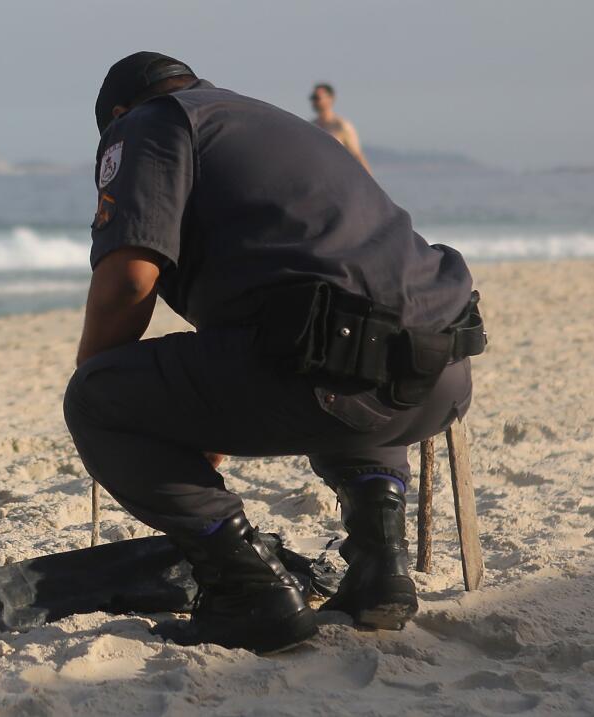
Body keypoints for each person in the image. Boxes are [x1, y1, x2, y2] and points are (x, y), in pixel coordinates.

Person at [63, 52, 484, 654]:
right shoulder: (270, 123)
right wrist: (196, 414)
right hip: (440, 375)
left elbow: (127, 283)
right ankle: (379, 562)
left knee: (96, 397)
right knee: (351, 334)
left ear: (119, 115)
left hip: (331, 376)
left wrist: (102, 387)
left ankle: (249, 589)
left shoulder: (148, 125)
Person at [310, 82, 371, 172]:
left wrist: (370, 184)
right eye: (312, 98)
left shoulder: (342, 126)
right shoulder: (311, 125)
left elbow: (357, 155)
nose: (314, 102)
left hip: (339, 176)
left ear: (330, 99)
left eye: (317, 98)